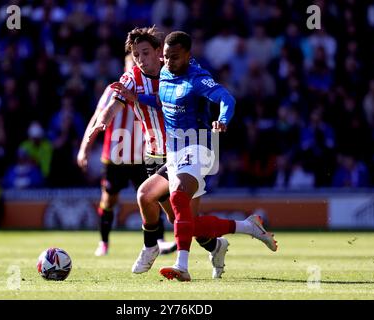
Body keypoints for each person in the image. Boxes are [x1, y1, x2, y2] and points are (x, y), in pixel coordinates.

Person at [92, 26, 277, 280]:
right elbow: (161, 101)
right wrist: (135, 98)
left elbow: (227, 98)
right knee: (153, 199)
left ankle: (182, 266)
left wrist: (222, 119)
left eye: (173, 57)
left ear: (188, 55)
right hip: (175, 151)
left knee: (178, 202)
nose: (167, 62)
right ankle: (243, 229)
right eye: (166, 57)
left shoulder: (197, 77)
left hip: (199, 146)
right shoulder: (166, 72)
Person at [77, 54, 176, 256]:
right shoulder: (113, 90)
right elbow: (97, 117)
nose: (135, 68)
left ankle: (159, 240)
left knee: (154, 197)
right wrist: (84, 148)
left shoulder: (152, 88)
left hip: (143, 155)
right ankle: (103, 242)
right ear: (125, 67)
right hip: (116, 156)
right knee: (109, 200)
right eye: (131, 64)